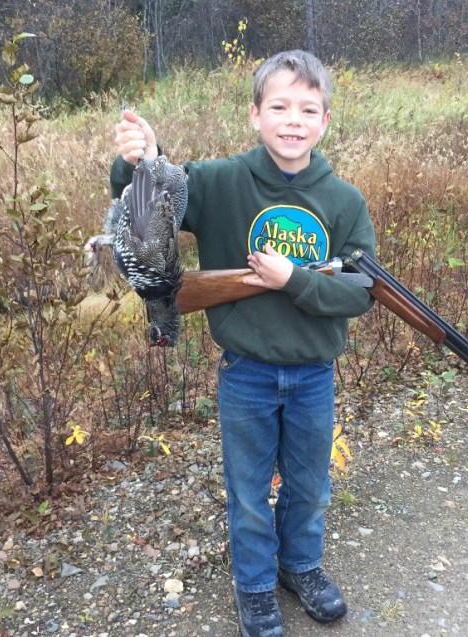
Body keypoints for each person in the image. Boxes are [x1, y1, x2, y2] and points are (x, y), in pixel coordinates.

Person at [110, 50, 376, 637]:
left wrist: (296, 280)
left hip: (313, 374)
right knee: (249, 491)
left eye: (308, 109)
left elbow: (360, 291)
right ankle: (254, 586)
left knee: (310, 486)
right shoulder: (221, 182)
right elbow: (151, 202)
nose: (293, 119)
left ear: (326, 121)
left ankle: (300, 568)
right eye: (279, 106)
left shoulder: (345, 202)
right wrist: (141, 160)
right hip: (246, 372)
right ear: (255, 114)